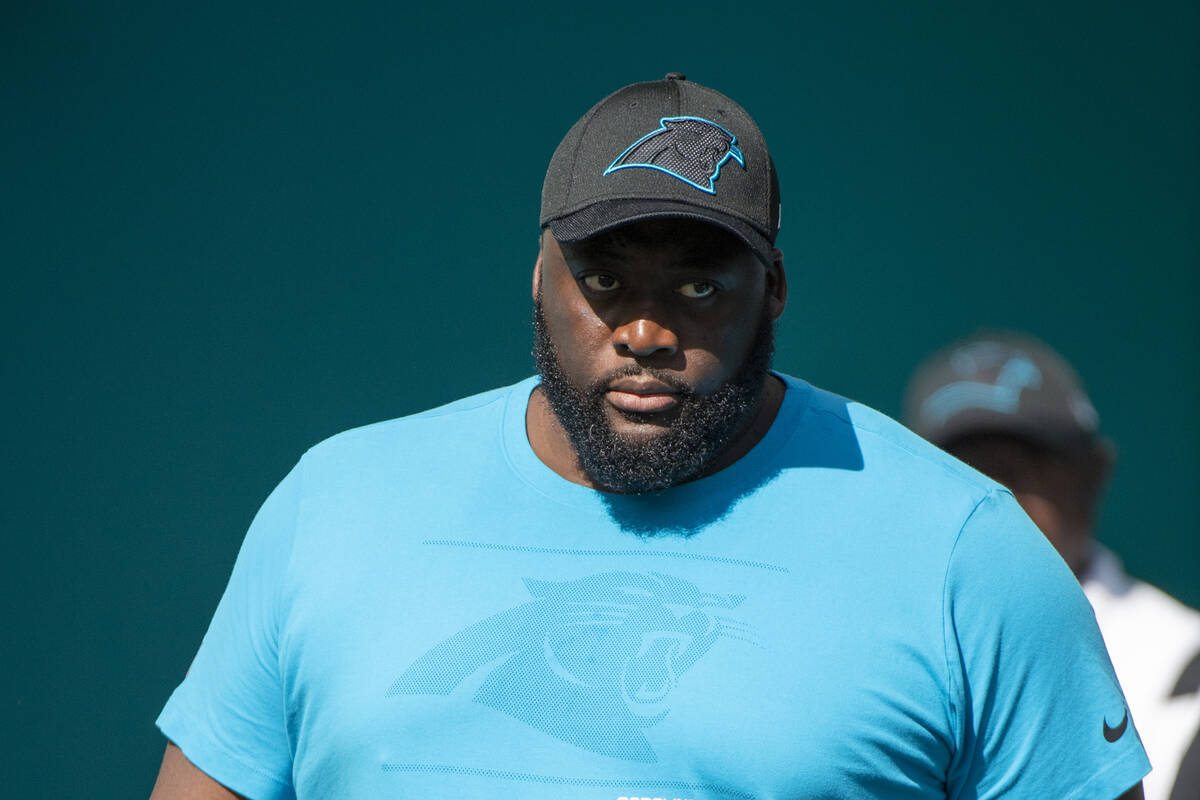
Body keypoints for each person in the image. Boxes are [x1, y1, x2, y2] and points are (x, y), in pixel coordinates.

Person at [150, 75, 1149, 799]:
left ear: (778, 293)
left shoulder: (963, 548)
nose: (644, 329)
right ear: (538, 280)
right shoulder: (335, 505)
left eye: (700, 283)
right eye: (605, 279)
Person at [904, 331, 1200, 800]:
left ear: (1094, 473)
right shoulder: (879, 652)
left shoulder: (1184, 663)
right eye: (961, 471)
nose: (991, 500)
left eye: (1020, 468)